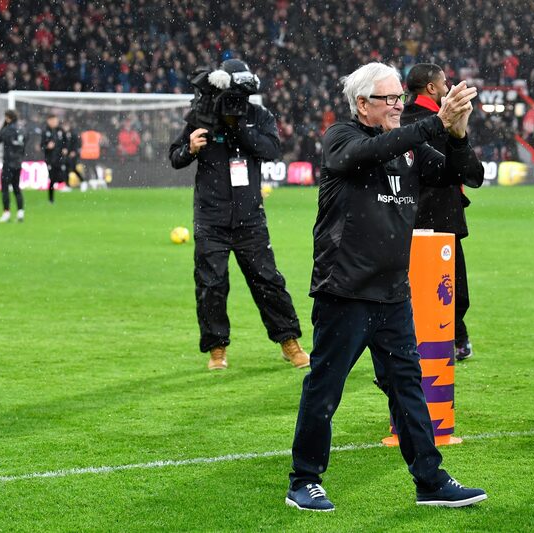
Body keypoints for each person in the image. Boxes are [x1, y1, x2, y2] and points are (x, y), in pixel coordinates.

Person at [286, 63, 487, 512]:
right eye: (390, 99)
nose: (400, 105)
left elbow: (466, 174)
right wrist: (434, 123)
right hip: (346, 289)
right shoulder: (341, 137)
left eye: (400, 97)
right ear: (362, 104)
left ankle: (430, 481)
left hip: (394, 291)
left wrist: (456, 133)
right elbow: (369, 152)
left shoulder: (408, 148)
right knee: (326, 388)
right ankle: (303, 480)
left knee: (408, 388)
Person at [169, 58, 309, 371]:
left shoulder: (258, 116)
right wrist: (190, 147)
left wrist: (240, 128)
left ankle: (290, 343)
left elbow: (271, 150)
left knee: (268, 281)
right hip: (211, 218)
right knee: (211, 285)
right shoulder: (202, 117)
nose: (235, 103)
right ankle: (216, 350)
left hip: (250, 219)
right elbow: (175, 158)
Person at [401, 63, 475, 360]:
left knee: (410, 287)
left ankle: (415, 340)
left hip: (407, 216)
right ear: (431, 88)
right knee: (453, 288)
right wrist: (460, 136)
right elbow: (471, 173)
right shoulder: (438, 122)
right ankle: (454, 337)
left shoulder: (401, 119)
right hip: (442, 216)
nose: (448, 87)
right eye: (444, 83)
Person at [0, 110, 26, 223]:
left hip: (8, 163)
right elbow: (25, 142)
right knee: (17, 188)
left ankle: (6, 213)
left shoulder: (7, 130)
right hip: (18, 163)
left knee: (5, 188)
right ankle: (20, 212)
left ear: (7, 118)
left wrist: (4, 125)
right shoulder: (22, 129)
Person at [41, 113, 67, 203]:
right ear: (49, 121)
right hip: (50, 159)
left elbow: (65, 141)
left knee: (61, 174)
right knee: (52, 178)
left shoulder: (61, 130)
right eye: (53, 121)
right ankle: (51, 199)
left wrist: (65, 148)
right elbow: (41, 146)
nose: (55, 122)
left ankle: (63, 185)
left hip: (60, 158)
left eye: (56, 121)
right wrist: (47, 146)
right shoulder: (45, 131)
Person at [62, 119, 87, 191]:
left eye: (66, 125)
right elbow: (63, 144)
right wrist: (63, 149)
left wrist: (74, 151)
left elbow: (77, 144)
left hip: (73, 155)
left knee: (73, 168)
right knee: (66, 169)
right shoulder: (64, 134)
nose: (65, 127)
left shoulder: (74, 134)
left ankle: (83, 181)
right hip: (66, 155)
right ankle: (67, 185)